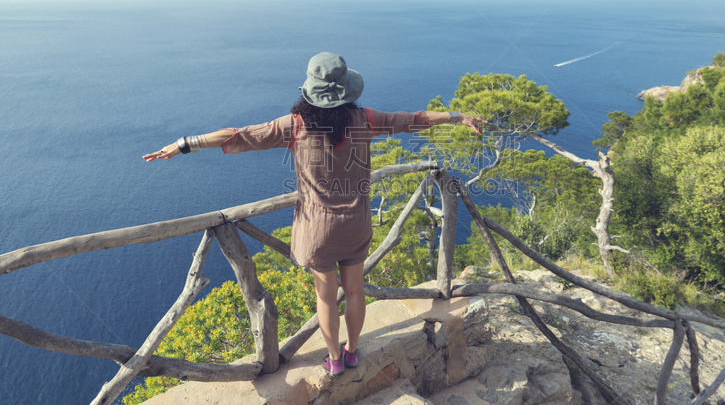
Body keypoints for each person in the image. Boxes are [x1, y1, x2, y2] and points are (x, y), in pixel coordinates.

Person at [144, 52, 484, 376]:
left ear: (309, 93)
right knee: (354, 291)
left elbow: (238, 136)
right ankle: (352, 351)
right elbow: (414, 120)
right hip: (356, 224)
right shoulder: (365, 119)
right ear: (347, 91)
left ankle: (334, 360)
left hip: (317, 230)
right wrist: (458, 117)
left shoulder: (294, 125)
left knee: (326, 296)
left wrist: (186, 142)